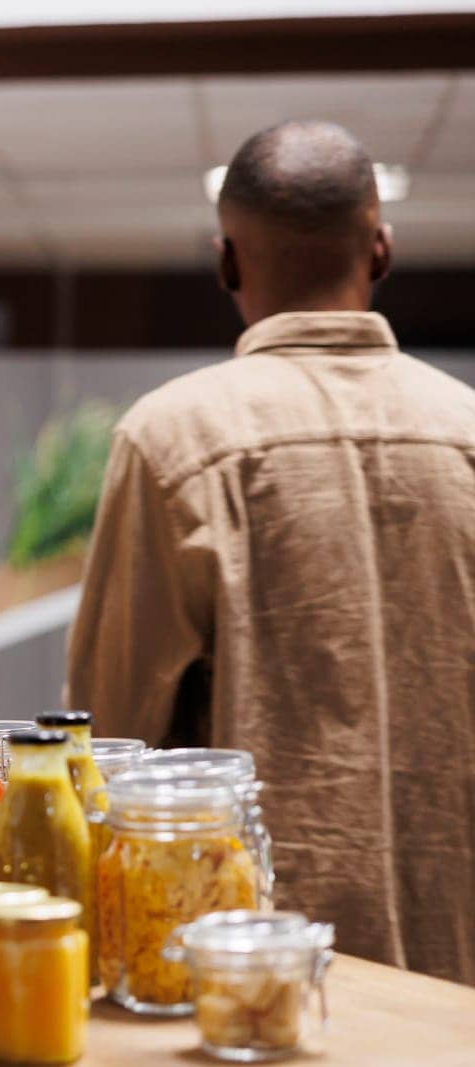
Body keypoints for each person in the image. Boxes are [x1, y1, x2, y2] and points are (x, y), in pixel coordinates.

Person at [67, 120, 475, 985]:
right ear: (383, 250)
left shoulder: (173, 436)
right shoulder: (467, 432)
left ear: (226, 263)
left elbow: (109, 736)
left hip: (253, 970)